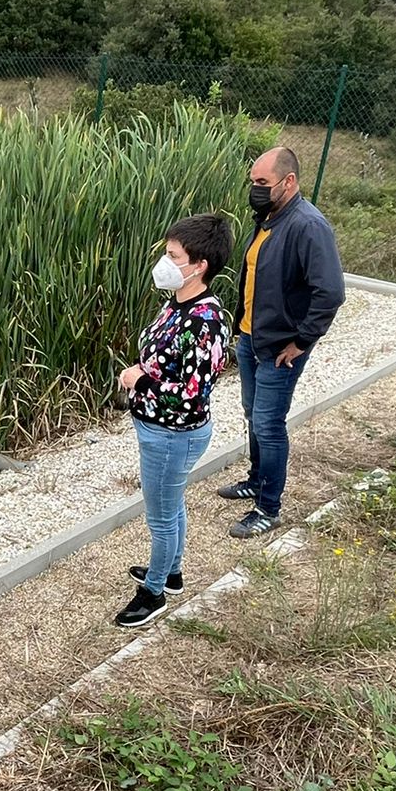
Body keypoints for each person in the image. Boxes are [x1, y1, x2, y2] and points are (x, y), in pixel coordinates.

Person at [112, 212, 234, 629]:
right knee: (172, 503)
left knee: (161, 516)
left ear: (199, 265)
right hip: (158, 429)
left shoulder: (206, 320)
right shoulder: (176, 303)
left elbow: (192, 393)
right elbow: (167, 363)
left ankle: (155, 592)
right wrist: (145, 370)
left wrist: (140, 379)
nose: (164, 262)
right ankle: (173, 572)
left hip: (172, 433)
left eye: (173, 255)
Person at [217, 146, 345, 539]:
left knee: (269, 424)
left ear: (288, 181)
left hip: (279, 348)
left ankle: (268, 507)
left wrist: (302, 341)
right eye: (253, 182)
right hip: (250, 337)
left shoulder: (309, 226)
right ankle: (256, 480)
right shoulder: (268, 218)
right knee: (253, 413)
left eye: (262, 183)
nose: (255, 189)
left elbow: (330, 292)